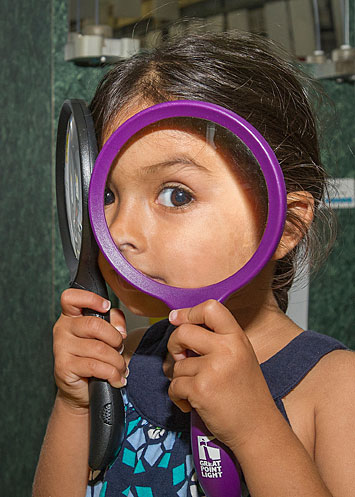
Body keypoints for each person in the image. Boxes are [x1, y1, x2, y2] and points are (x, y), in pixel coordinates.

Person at [33, 31, 355, 497]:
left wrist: (255, 429)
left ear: (285, 227)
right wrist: (74, 405)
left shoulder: (336, 388)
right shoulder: (119, 363)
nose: (119, 230)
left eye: (176, 195)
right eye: (107, 195)